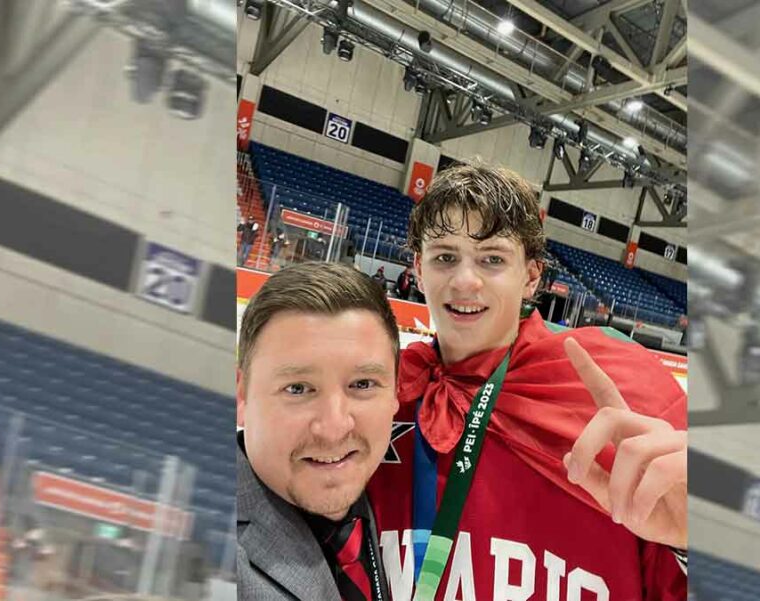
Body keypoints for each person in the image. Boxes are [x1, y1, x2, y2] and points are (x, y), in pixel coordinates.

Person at [367, 164, 688, 600]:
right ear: (419, 270)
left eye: (492, 259)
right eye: (444, 257)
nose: (464, 280)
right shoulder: (376, 392)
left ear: (532, 276)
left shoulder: (619, 390)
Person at [236, 262, 399, 600]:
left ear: (397, 392)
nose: (334, 428)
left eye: (363, 384)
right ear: (241, 394)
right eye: (298, 388)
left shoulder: (403, 505)